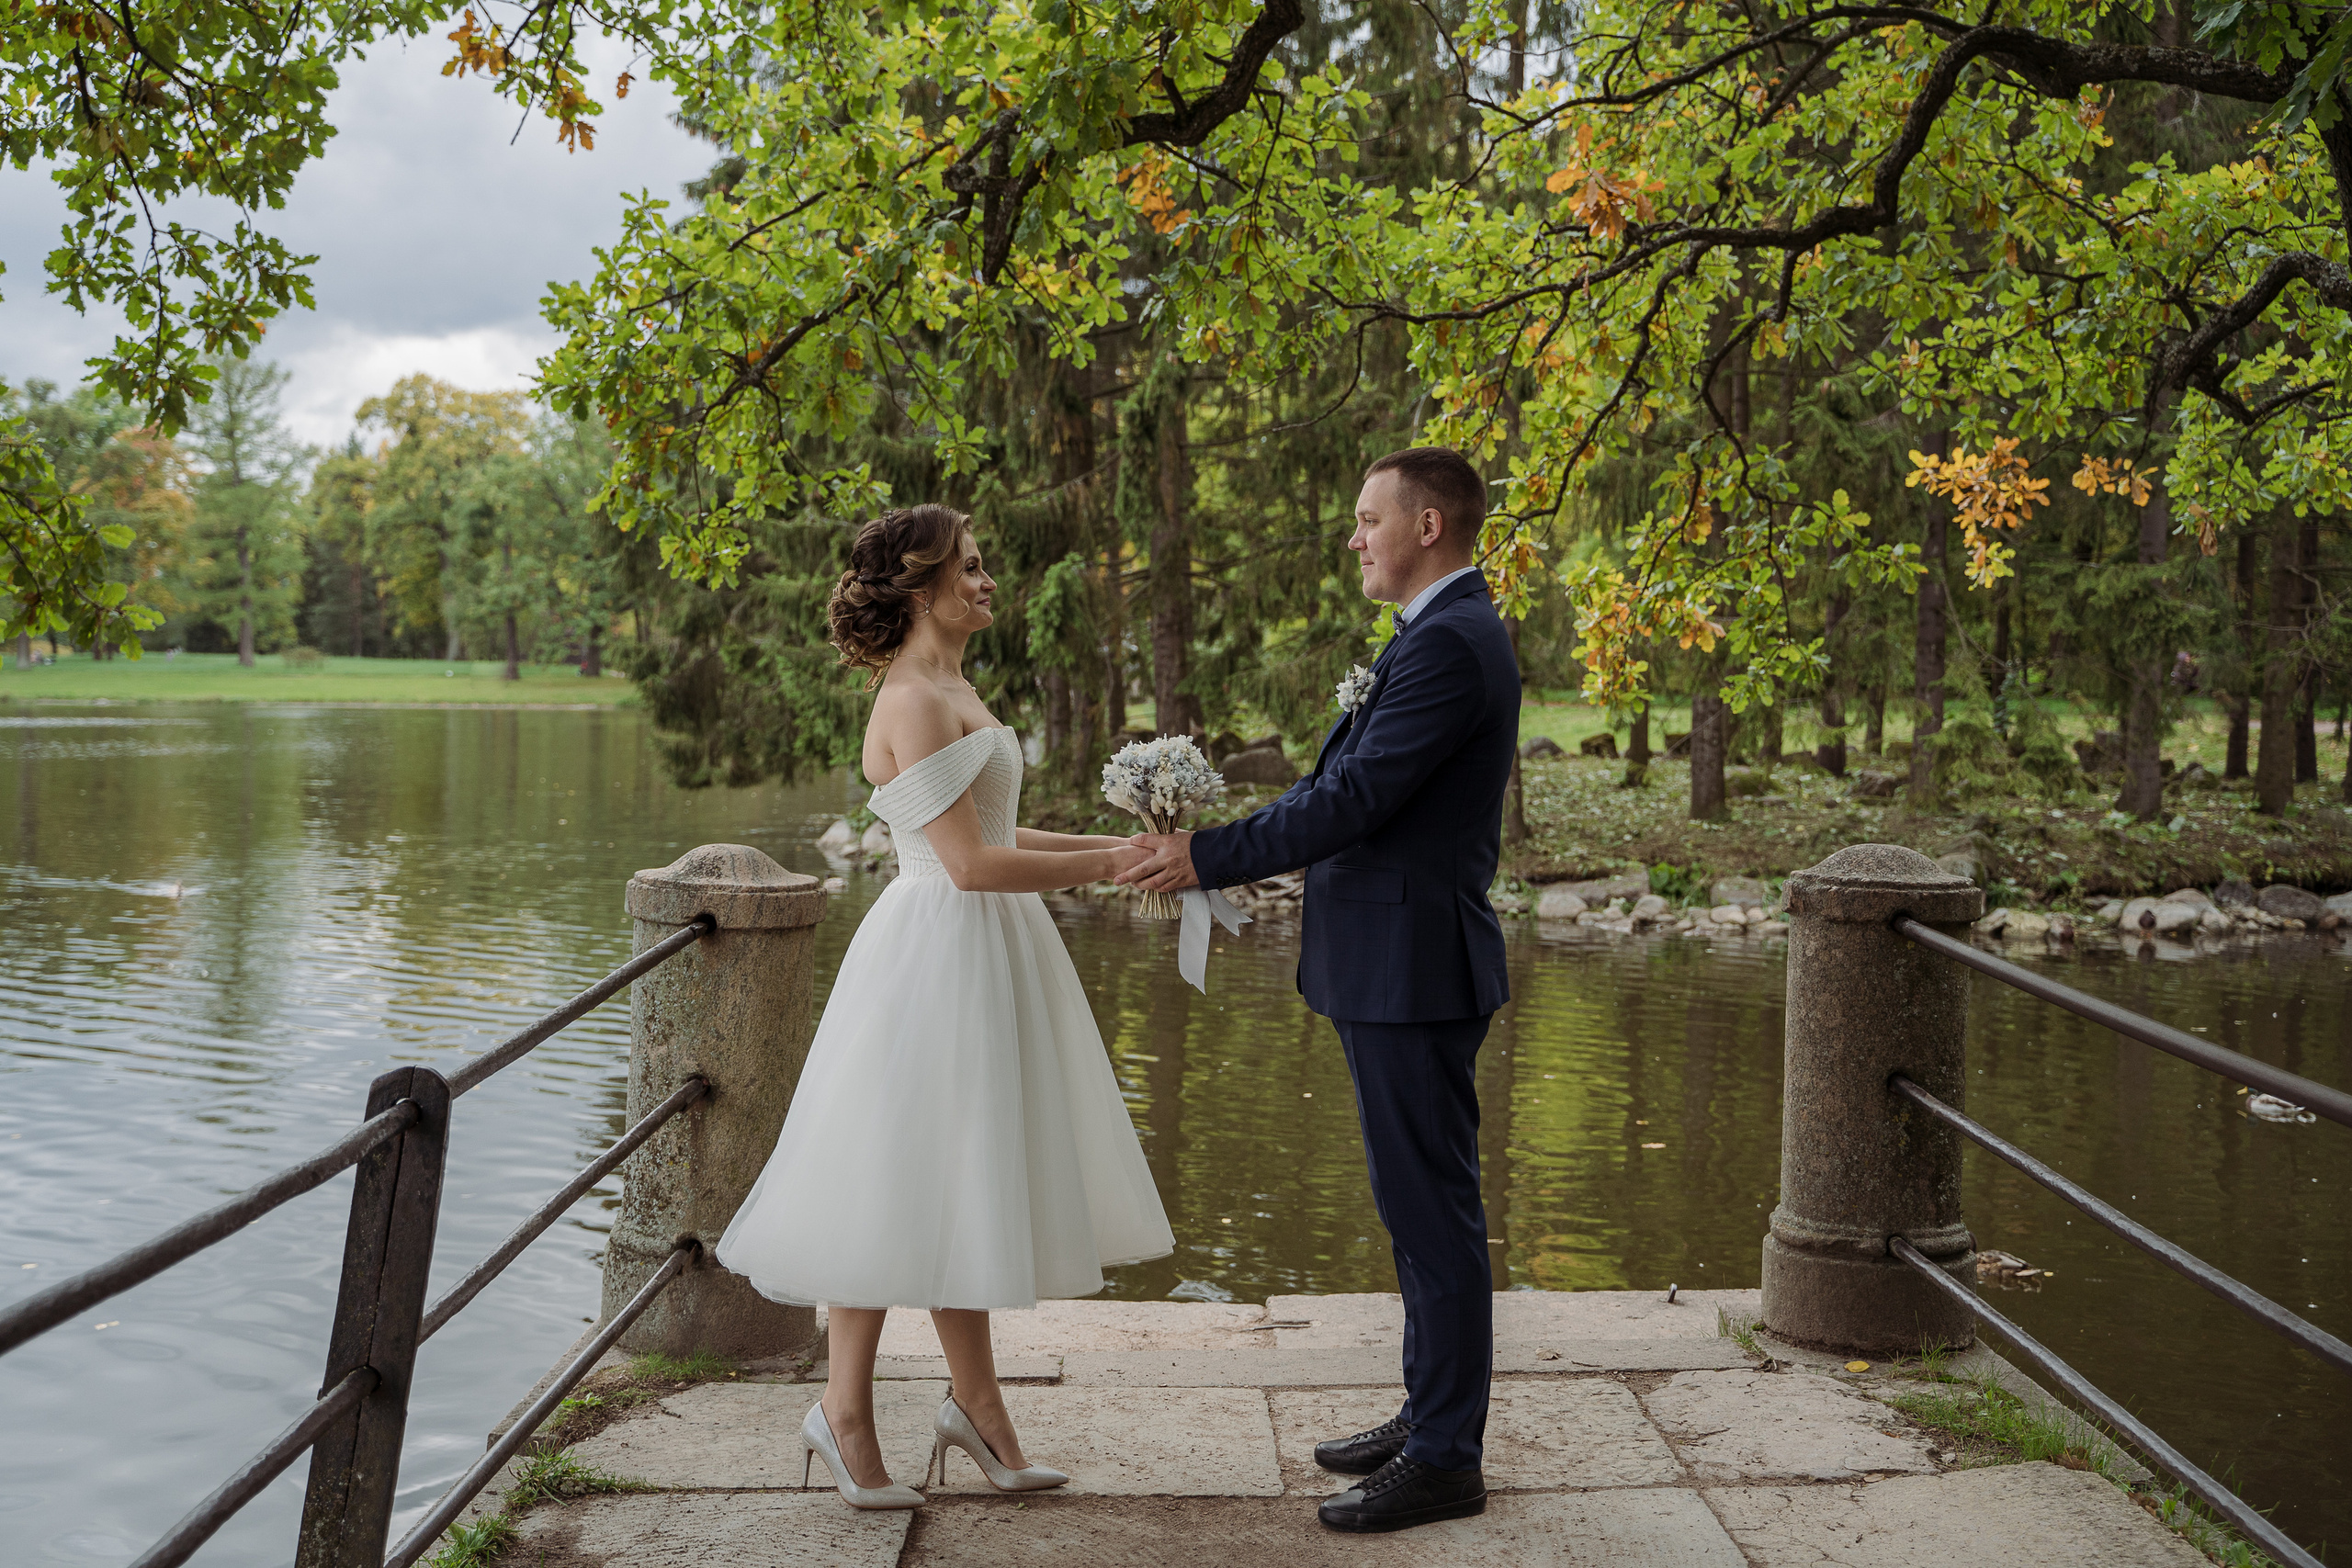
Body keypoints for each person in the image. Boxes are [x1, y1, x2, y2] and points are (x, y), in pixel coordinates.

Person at [717, 503, 1173, 1510]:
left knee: (966, 1177)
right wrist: (1108, 865)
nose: (986, 581)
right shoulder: (914, 700)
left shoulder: (953, 685)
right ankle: (842, 1416)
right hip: (935, 954)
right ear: (919, 589)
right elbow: (965, 867)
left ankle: (980, 1414)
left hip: (988, 955)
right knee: (890, 1178)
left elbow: (1000, 827)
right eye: (968, 569)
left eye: (983, 565)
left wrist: (1123, 850)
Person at [1118, 446, 1518, 1534]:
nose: (1353, 537)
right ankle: (1430, 1412)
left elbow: (1354, 802)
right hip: (1393, 967)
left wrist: (1207, 856)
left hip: (1415, 971)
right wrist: (1215, 844)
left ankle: (1446, 1459)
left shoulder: (1450, 644)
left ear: (1426, 526)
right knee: (1413, 1208)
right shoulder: (1434, 635)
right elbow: (1336, 787)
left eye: (1365, 518)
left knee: (1432, 1215)